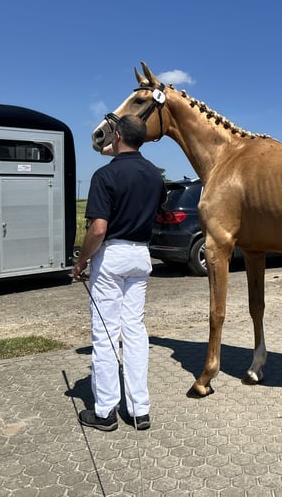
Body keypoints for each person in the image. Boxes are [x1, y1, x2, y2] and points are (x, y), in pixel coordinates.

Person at [72, 114, 167, 432]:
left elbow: (98, 228)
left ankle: (105, 411)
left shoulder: (105, 175)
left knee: (106, 334)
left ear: (117, 137)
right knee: (136, 332)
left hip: (111, 255)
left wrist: (82, 260)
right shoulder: (155, 175)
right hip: (141, 255)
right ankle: (140, 410)